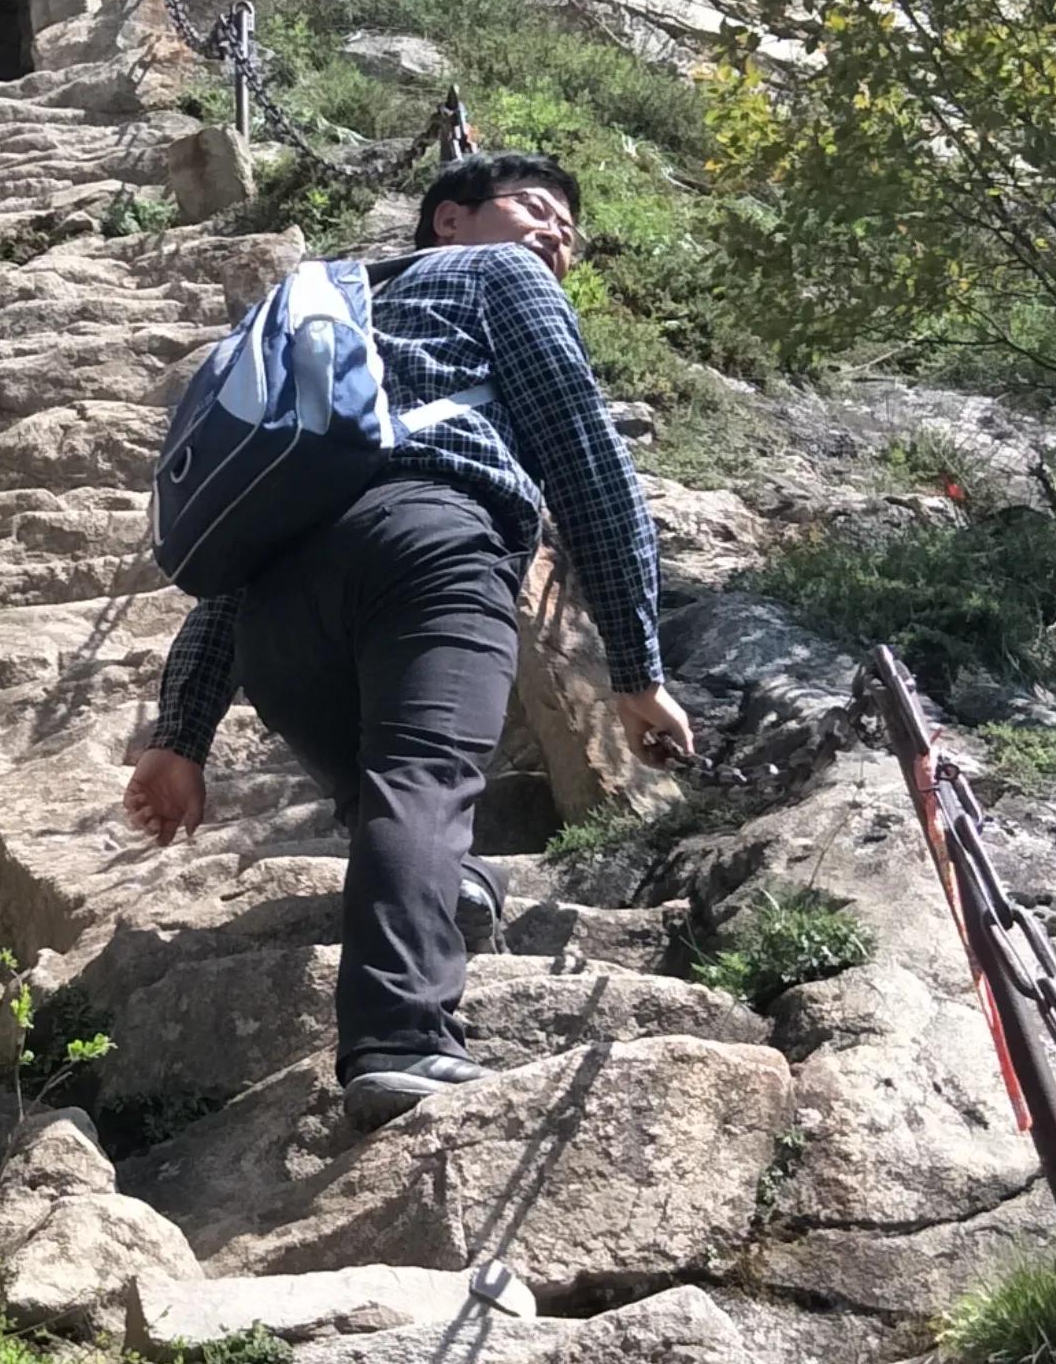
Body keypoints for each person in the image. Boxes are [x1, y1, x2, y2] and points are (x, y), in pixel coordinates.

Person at [122, 147, 694, 1128]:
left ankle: (446, 884)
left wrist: (181, 736)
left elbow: (255, 520)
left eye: (569, 228)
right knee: (421, 776)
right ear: (449, 221)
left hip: (277, 623)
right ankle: (401, 1038)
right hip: (429, 547)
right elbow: (584, 456)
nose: (556, 233)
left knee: (385, 788)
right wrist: (636, 672)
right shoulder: (496, 272)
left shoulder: (325, 324)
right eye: (534, 207)